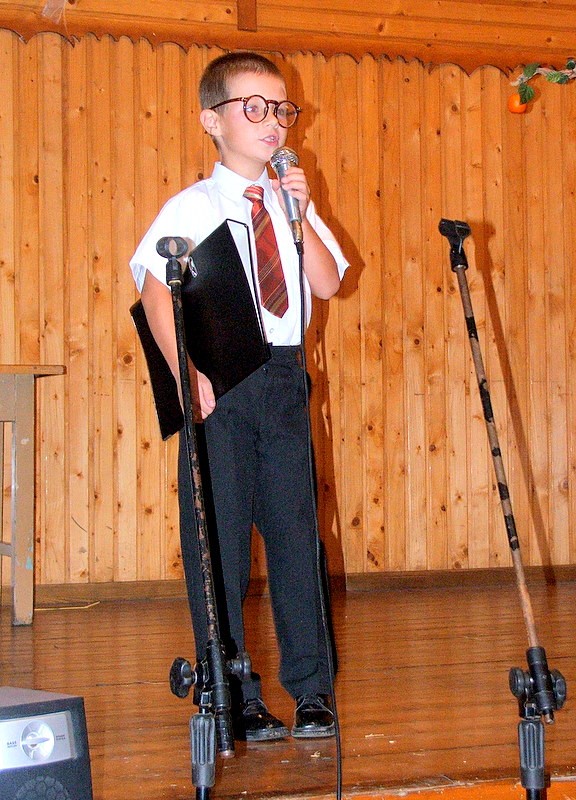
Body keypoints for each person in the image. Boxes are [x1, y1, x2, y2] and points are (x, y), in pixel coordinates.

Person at [129, 51, 348, 741]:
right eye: (252, 107)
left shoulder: (289, 202)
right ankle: (231, 689)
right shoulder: (193, 206)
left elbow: (326, 282)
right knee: (217, 540)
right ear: (212, 121)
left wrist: (300, 211)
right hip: (222, 384)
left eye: (281, 108)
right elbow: (155, 292)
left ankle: (311, 688)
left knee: (296, 536)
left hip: (282, 378)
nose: (271, 120)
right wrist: (184, 369)